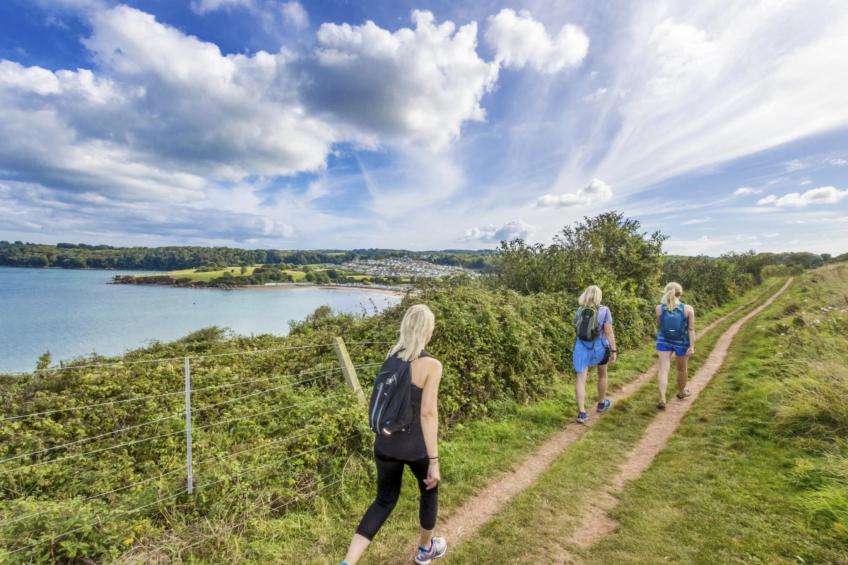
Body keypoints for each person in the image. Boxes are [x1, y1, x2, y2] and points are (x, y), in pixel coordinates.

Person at [341, 304, 446, 565]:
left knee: (384, 501)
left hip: (385, 444)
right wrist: (433, 461)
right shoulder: (431, 364)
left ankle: (347, 562)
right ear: (427, 331)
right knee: (429, 491)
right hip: (415, 448)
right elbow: (428, 414)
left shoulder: (392, 356)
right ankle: (425, 550)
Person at [572, 285, 618, 424]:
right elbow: (608, 332)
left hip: (581, 347)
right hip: (599, 347)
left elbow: (576, 327)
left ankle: (582, 413)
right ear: (599, 296)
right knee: (602, 374)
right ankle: (601, 404)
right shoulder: (604, 310)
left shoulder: (580, 310)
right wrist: (614, 350)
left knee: (581, 380)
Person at [655, 282, 696, 409]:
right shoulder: (688, 309)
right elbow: (691, 329)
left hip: (663, 341)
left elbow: (659, 325)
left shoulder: (659, 308)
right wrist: (692, 346)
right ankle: (682, 392)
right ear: (680, 293)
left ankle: (662, 398)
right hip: (681, 342)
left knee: (663, 370)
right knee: (682, 369)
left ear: (666, 292)